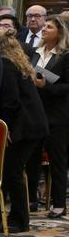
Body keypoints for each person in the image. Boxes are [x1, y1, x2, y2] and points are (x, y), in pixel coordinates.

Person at [0, 26, 48, 233]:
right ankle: (16, 216)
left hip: (23, 127)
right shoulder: (16, 61)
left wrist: (5, 131)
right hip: (32, 124)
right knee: (14, 172)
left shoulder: (6, 64)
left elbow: (11, 102)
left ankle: (20, 220)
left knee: (12, 172)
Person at [31, 14, 69, 218]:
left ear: (60, 32)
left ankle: (59, 203)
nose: (44, 29)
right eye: (44, 26)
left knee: (58, 161)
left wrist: (48, 86)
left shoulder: (65, 55)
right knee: (32, 158)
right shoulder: (35, 52)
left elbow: (66, 86)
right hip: (35, 113)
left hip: (57, 115)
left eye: (49, 27)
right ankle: (31, 200)